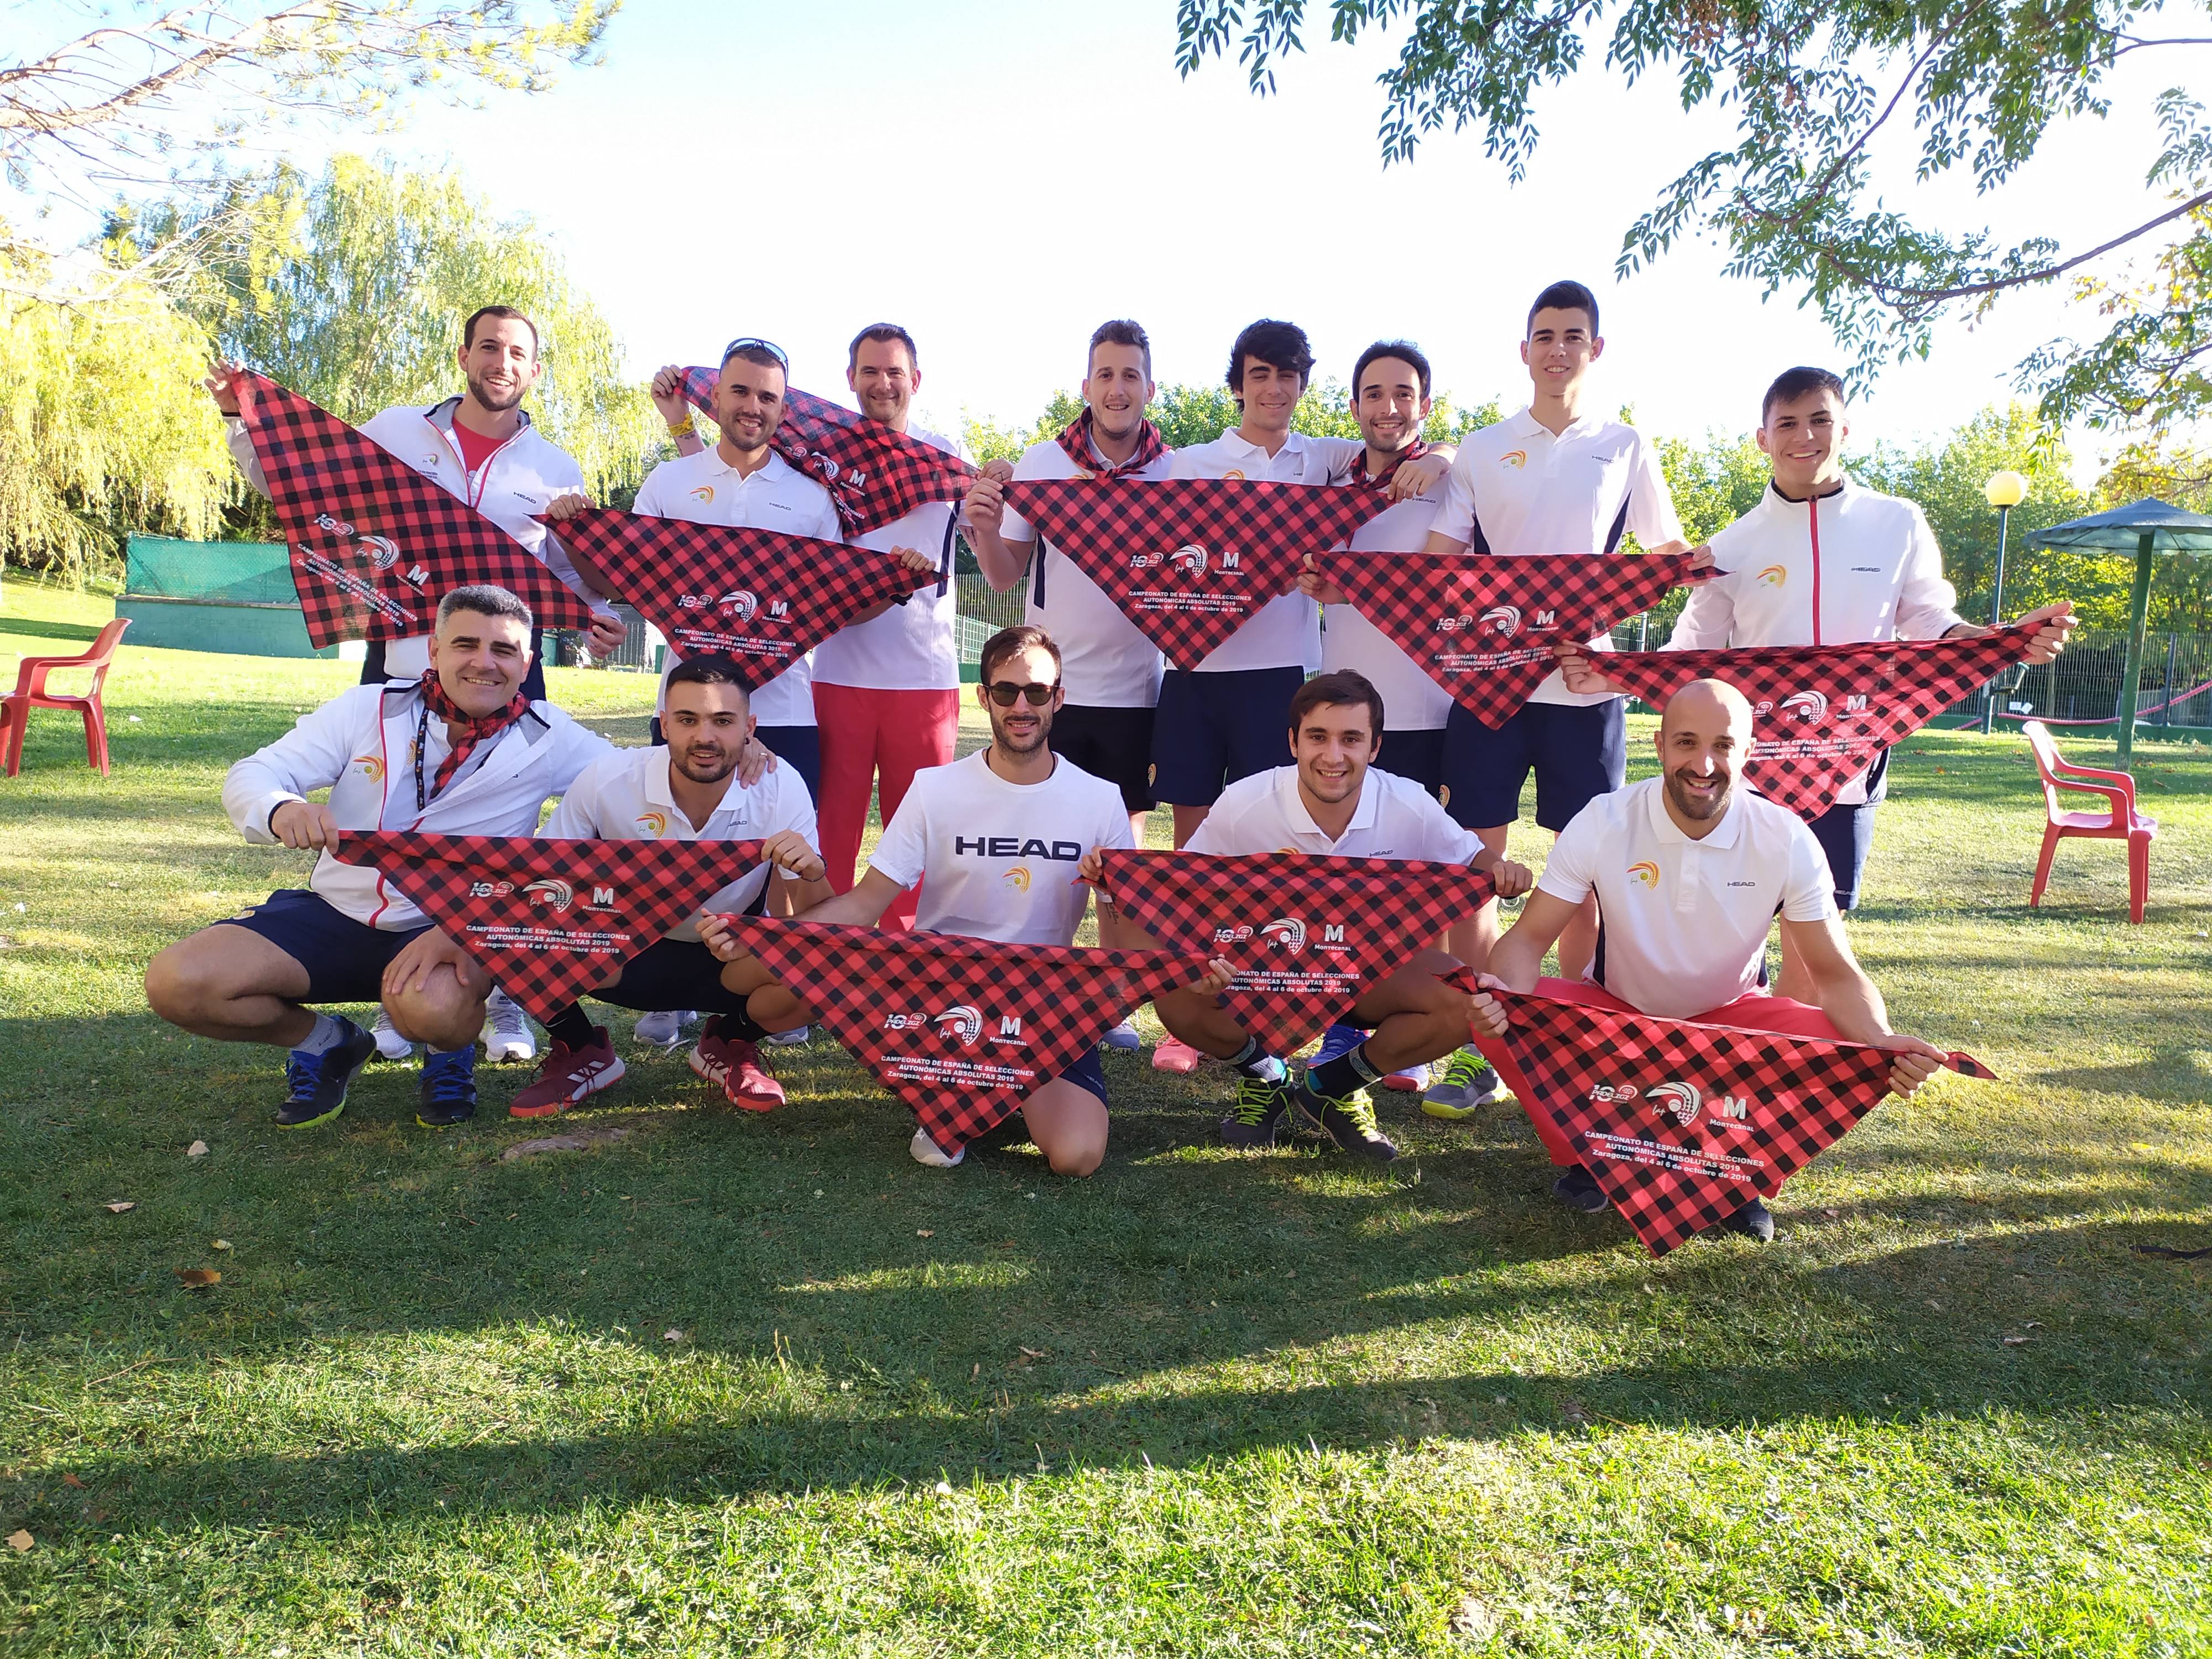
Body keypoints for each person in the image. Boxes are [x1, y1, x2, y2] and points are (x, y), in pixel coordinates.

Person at [1561, 364, 2077, 997]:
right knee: (1735, 922)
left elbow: (1930, 621)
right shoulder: (1730, 547)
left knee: (1819, 927)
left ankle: (1786, 1049)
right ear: (1762, 438)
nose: (1804, 436)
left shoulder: (1897, 522)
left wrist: (2002, 642)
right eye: (1787, 423)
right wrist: (1608, 676)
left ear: (1845, 429)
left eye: (1819, 420)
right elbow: (1689, 655)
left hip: (1849, 756)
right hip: (1749, 764)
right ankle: (1742, 1034)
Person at [206, 306, 629, 1067]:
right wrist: (244, 420)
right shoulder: (397, 429)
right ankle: (395, 990)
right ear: (465, 355)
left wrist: (593, 616)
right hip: (401, 654)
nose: (502, 363)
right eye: (489, 347)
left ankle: (500, 990)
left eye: (518, 353)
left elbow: (570, 582)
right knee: (394, 814)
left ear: (535, 370)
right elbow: (306, 488)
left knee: (501, 823)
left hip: (505, 666)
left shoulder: (554, 466)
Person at [703, 625, 1223, 1177]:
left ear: (1058, 699)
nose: (1021, 706)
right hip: (940, 990)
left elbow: (1122, 950)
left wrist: (1114, 896)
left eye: (1037, 692)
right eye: (1006, 691)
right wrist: (768, 939)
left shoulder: (1099, 799)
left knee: (1077, 1156)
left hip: (1041, 998)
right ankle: (958, 1091)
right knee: (941, 1137)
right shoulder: (935, 788)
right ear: (984, 696)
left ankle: (994, 1088)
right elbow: (865, 905)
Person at [1463, 679, 1954, 1241]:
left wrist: (1881, 1038)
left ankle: (1736, 1177)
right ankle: (1593, 1153)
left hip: (1729, 1022)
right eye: (1686, 743)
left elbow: (1835, 972)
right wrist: (1502, 995)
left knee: (1846, 1044)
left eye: (1723, 746)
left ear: (1748, 752)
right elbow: (1527, 941)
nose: (1703, 764)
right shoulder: (1605, 819)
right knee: (1499, 1012)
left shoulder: (1784, 836)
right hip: (1619, 1014)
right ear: (1659, 745)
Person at [143, 586, 613, 1130]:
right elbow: (258, 772)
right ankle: (329, 1043)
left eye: (503, 650)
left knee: (435, 1011)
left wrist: (727, 753)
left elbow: (632, 783)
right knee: (178, 982)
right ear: (434, 651)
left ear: (526, 664)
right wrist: (280, 808)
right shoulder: (369, 706)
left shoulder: (550, 733)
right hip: (336, 912)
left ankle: (448, 1054)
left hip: (450, 930)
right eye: (466, 645)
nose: (484, 663)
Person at [1414, 279, 1691, 1116]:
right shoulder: (1481, 447)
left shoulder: (1626, 446)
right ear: (1524, 349)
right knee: (1475, 867)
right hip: (1488, 687)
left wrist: (1723, 568)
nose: (1558, 349)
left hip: (1585, 690)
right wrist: (1354, 584)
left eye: (1574, 336)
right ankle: (1477, 1044)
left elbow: (1667, 557)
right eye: (1545, 335)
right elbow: (1434, 566)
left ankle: (1578, 1040)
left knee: (1589, 869)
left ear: (1595, 350)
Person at [1151, 318, 1449, 1072]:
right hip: (1193, 669)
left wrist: (1445, 453)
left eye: (1287, 375)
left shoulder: (1324, 459)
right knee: (1200, 841)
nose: (1274, 389)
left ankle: (1288, 1000)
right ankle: (1198, 1004)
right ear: (1237, 384)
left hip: (1282, 670)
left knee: (1275, 852)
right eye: (1260, 374)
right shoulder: (1189, 462)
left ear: (1304, 386)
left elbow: (1413, 446)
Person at [1124, 671, 1532, 1164]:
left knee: (1468, 1004)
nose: (1333, 756)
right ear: (1293, 742)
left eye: (1351, 739)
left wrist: (1502, 870)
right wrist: (1118, 881)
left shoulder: (1407, 802)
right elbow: (1184, 886)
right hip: (1263, 970)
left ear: (1375, 747)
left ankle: (1331, 1088)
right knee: (1171, 985)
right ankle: (1268, 1079)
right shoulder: (1246, 801)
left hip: (1368, 970)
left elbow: (1472, 858)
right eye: (1318, 737)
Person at [959, 318, 1174, 1055]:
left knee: (1120, 861)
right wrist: (983, 526)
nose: (1117, 388)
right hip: (1049, 691)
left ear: (1149, 388)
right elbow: (1003, 576)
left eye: (1131, 375)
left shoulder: (1172, 472)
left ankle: (1112, 1000)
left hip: (1134, 691)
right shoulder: (1043, 462)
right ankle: (1024, 983)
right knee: (1037, 846)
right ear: (1086, 385)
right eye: (1105, 374)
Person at [510, 655, 831, 1118]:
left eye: (723, 721)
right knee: (505, 928)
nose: (705, 737)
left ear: (750, 728)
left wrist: (811, 874)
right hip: (621, 952)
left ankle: (730, 1043)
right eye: (687, 720)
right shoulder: (608, 779)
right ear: (663, 725)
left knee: (827, 964)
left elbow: (821, 925)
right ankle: (581, 1049)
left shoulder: (781, 786)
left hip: (731, 960)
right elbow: (537, 882)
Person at [1294, 341, 1459, 1099]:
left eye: (1403, 394)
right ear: (1355, 404)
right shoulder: (1333, 474)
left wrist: (1447, 454)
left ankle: (1414, 1032)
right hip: (1347, 713)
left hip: (1425, 707)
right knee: (1347, 878)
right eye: (1372, 394)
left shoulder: (1452, 476)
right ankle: (1345, 1019)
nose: (1388, 408)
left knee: (1419, 879)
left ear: (1425, 404)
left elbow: (1439, 582)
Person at [807, 324, 973, 932]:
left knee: (918, 835)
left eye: (894, 372)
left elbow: (993, 526)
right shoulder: (822, 458)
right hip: (838, 672)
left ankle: (905, 959)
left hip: (925, 681)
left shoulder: (946, 454)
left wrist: (999, 479)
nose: (883, 384)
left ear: (916, 380)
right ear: (851, 379)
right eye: (870, 371)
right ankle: (821, 954)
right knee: (831, 833)